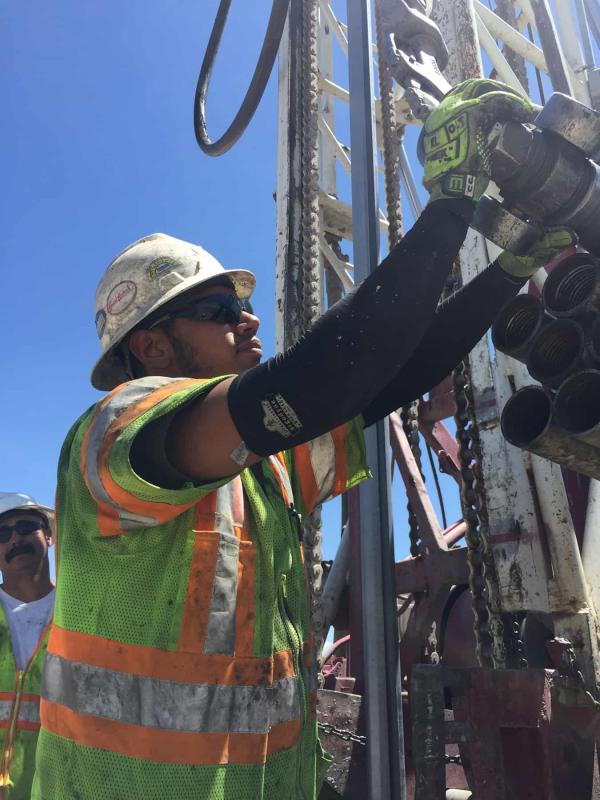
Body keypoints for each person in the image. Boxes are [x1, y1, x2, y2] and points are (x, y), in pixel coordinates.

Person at [33, 80, 574, 800]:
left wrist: (503, 276)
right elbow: (322, 377)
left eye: (249, 306)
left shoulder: (257, 466)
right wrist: (447, 208)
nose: (249, 322)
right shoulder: (117, 431)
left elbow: (388, 375)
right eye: (221, 309)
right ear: (154, 347)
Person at [0, 493, 54, 799]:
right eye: (2, 534)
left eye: (25, 527)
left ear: (48, 536)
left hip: (51, 789)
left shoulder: (77, 616)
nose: (15, 539)